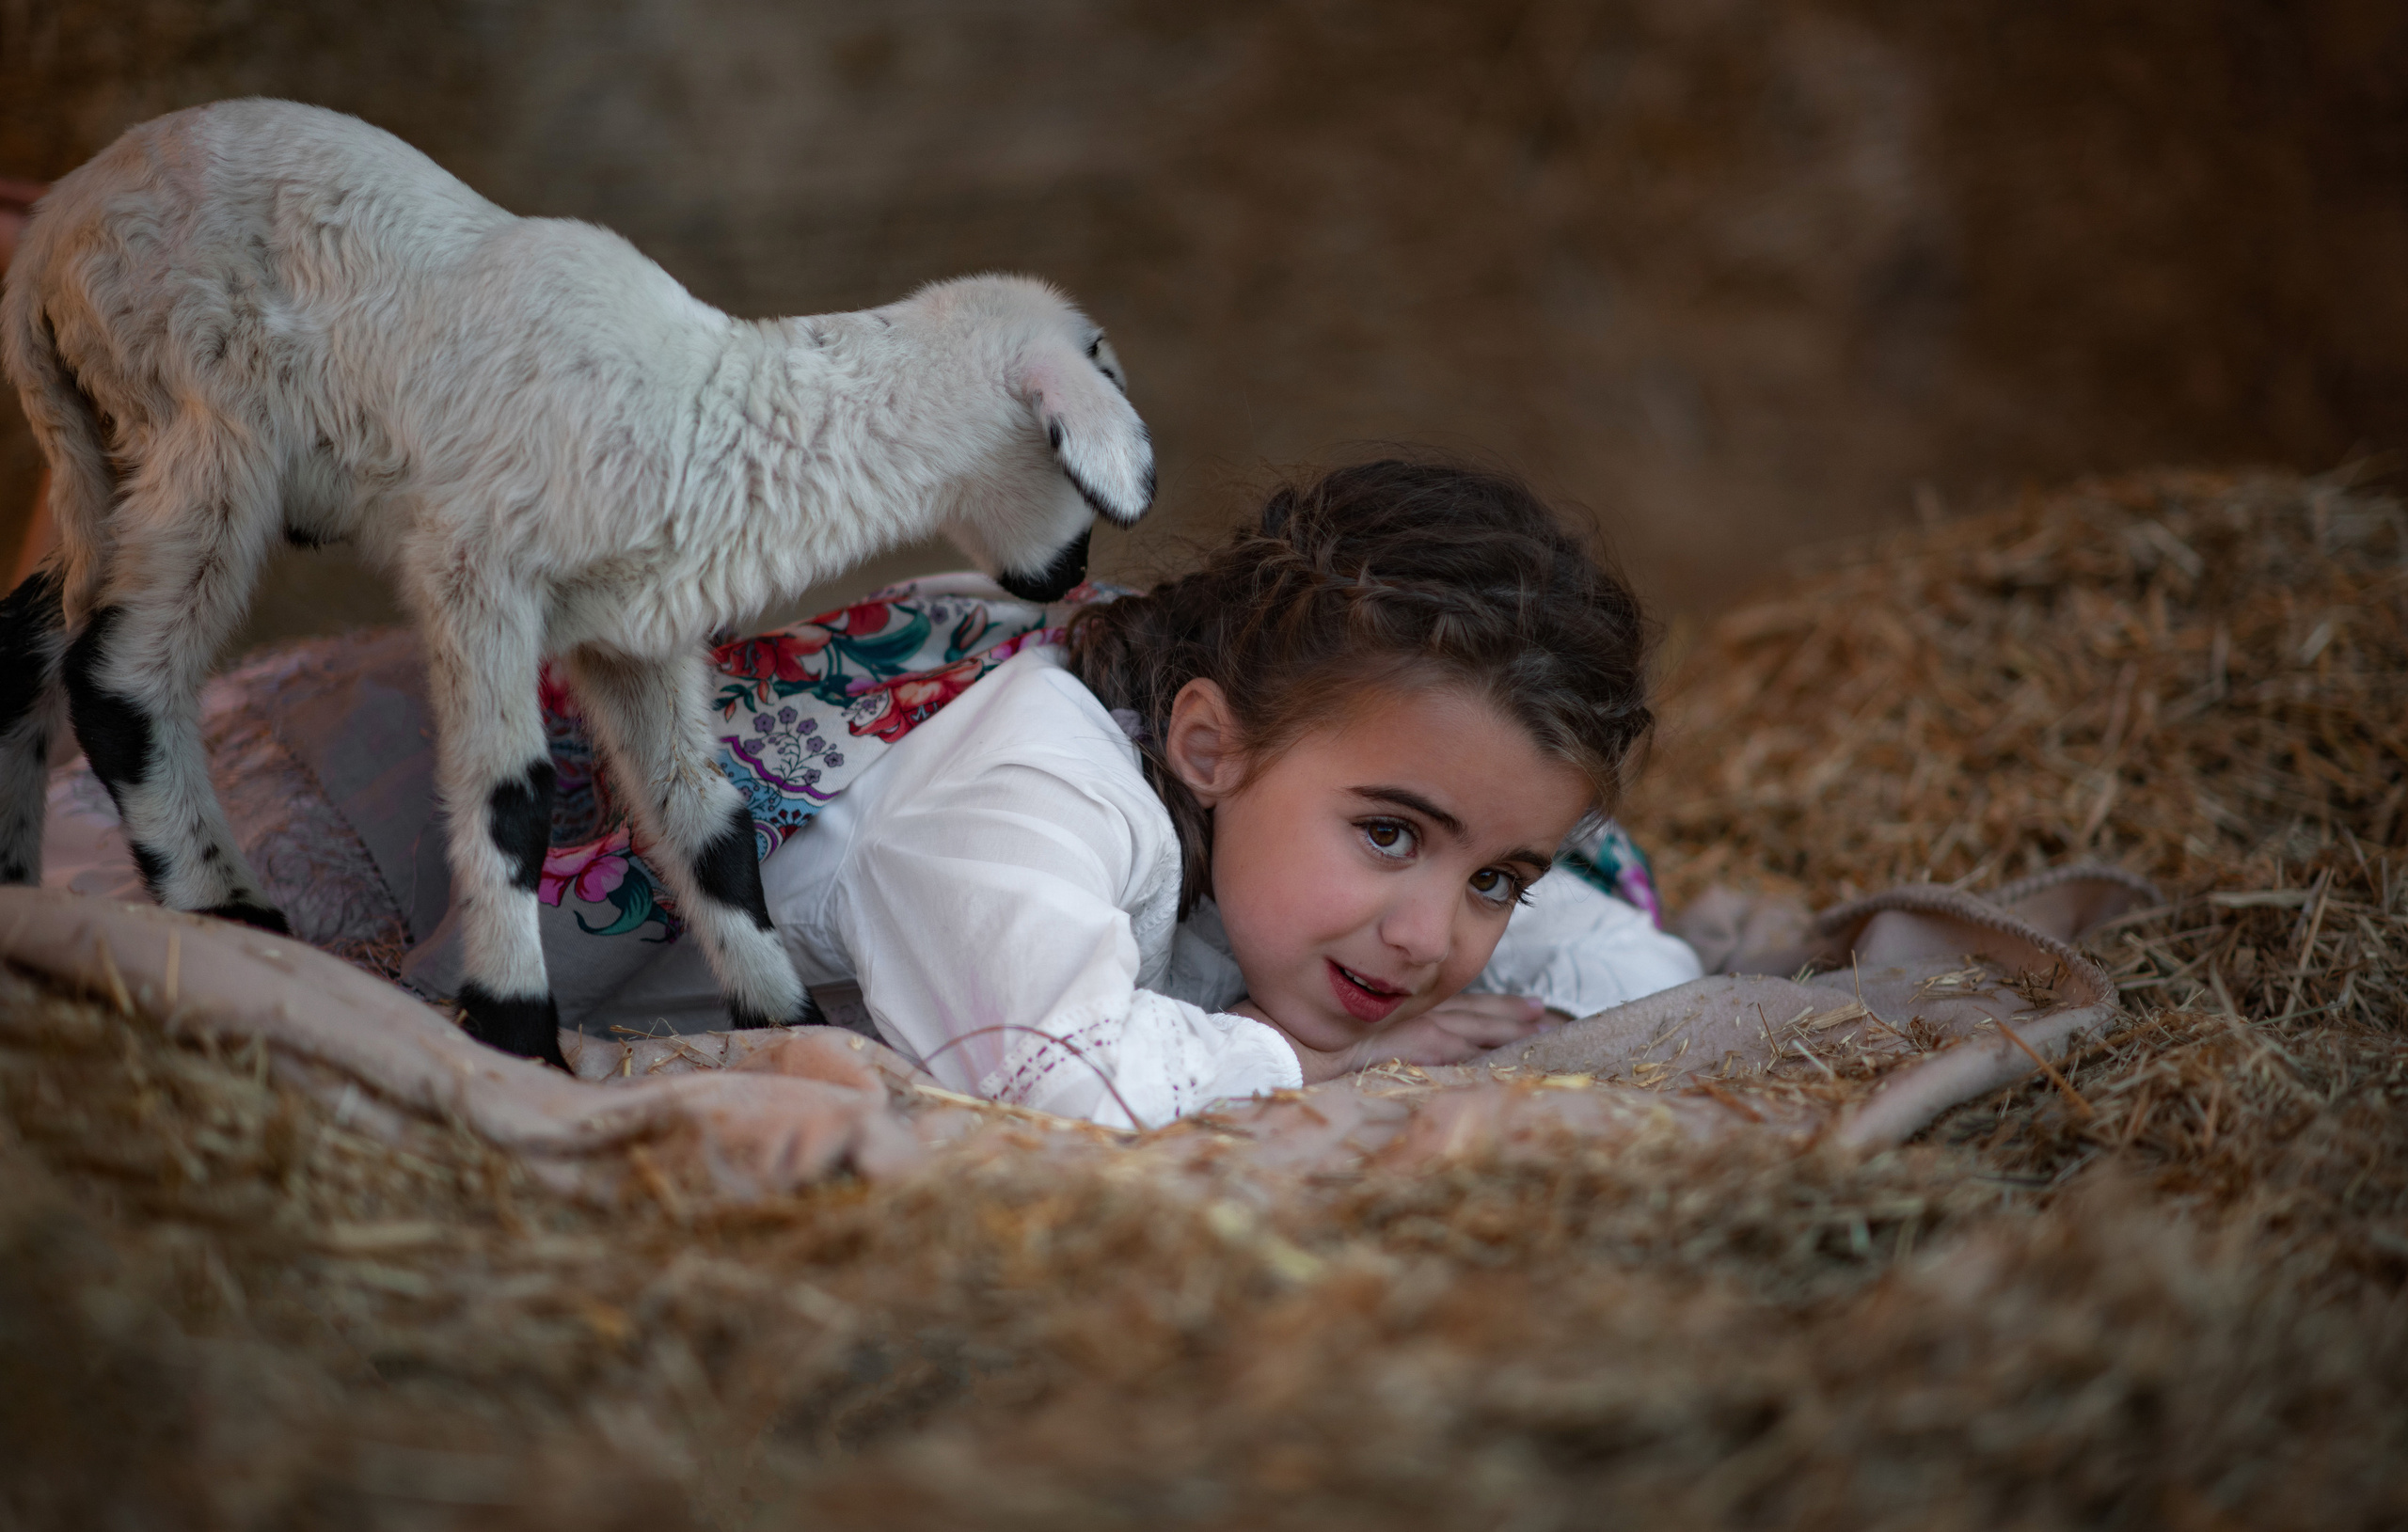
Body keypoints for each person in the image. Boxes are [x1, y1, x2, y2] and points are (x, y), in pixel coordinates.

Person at [756, 459, 1701, 1128]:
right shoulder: (1034, 789)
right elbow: (1055, 1084)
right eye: (1388, 834)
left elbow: (1638, 973)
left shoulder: (1282, 806)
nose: (1428, 938)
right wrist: (1321, 1060)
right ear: (1209, 746)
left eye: (1495, 881)